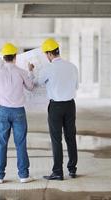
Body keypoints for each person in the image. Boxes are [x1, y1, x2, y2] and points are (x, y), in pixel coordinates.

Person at [29, 38, 79, 180]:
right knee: (71, 137)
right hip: (70, 105)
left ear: (50, 54)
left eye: (46, 54)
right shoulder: (72, 66)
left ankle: (57, 172)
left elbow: (35, 84)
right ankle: (72, 169)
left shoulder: (48, 69)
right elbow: (76, 87)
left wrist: (31, 71)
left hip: (56, 106)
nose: (46, 57)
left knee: (56, 139)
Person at [0, 43, 34, 184]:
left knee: (2, 143)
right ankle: (24, 175)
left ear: (3, 57)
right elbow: (31, 87)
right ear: (15, 57)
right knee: (21, 143)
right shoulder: (22, 72)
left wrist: (0, 87)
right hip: (19, 111)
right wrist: (30, 71)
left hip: (3, 111)